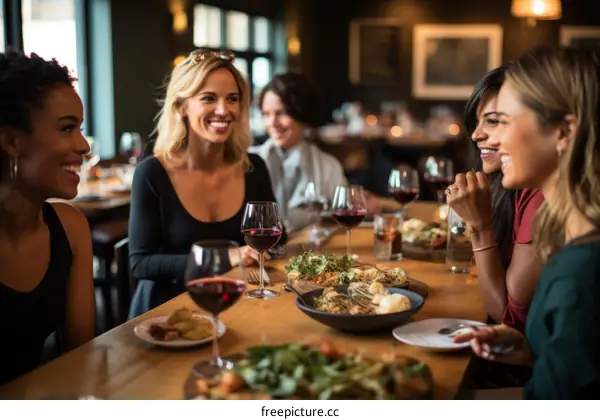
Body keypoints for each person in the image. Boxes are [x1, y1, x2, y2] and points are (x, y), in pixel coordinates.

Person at [455, 46, 600, 399]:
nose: (488, 138)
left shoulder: (580, 272)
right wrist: (532, 353)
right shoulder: (569, 236)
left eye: (502, 121)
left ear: (564, 132)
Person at [128, 49, 286, 318]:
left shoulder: (253, 168)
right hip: (166, 313)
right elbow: (141, 263)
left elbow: (279, 238)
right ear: (182, 107)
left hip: (234, 303)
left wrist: (257, 256)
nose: (224, 110)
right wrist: (229, 257)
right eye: (208, 98)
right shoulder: (151, 174)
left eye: (232, 99)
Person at [0, 52, 95, 384]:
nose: (83, 145)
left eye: (80, 128)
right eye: (67, 128)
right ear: (11, 141)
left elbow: (80, 361)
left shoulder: (71, 228)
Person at [447, 67, 543, 332]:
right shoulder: (514, 186)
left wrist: (480, 227)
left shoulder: (541, 196)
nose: (476, 134)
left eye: (492, 121)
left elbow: (506, 318)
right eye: (477, 122)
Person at [250, 73, 383, 232]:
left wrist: (366, 204)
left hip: (306, 253)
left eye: (281, 113)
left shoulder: (328, 166)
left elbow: (347, 210)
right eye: (266, 114)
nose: (272, 123)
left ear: (302, 114)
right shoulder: (248, 162)